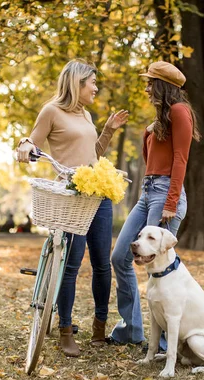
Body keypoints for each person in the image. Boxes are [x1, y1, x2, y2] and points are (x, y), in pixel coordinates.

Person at [16, 59, 128, 357]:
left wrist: (108, 130)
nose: (96, 87)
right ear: (77, 83)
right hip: (72, 196)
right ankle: (65, 329)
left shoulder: (86, 114)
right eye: (92, 82)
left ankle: (99, 327)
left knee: (102, 264)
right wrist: (25, 147)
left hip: (99, 196)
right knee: (72, 264)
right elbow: (31, 141)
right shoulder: (51, 111)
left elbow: (92, 154)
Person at [109, 61, 201, 346]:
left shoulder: (179, 111)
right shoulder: (163, 118)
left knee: (160, 268)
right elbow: (150, 160)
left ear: (162, 86)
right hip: (148, 191)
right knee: (120, 257)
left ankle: (162, 344)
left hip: (165, 194)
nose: (147, 88)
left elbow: (180, 159)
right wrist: (149, 132)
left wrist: (171, 201)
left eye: (151, 83)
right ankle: (133, 329)